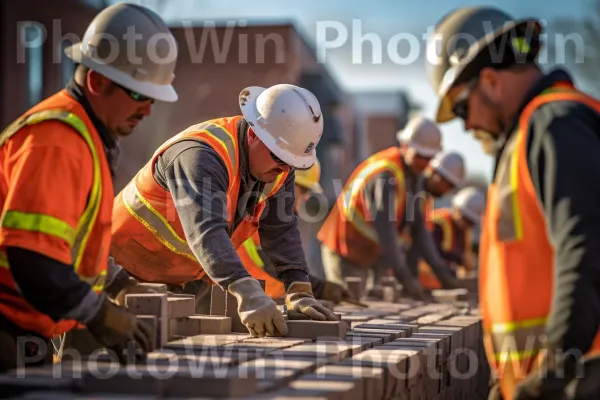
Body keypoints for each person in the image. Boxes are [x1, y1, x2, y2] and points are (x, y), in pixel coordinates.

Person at [428, 6, 600, 399]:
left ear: (489, 81)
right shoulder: (531, 136)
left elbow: (586, 249)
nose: (466, 126)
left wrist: (551, 374)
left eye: (460, 109)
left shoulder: (557, 123)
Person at [0, 3, 178, 371]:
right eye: (139, 95)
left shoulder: (86, 138)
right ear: (98, 82)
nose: (148, 111)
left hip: (26, 330)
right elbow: (33, 259)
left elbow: (73, 242)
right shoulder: (56, 141)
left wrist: (116, 283)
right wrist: (100, 316)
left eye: (153, 99)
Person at [110, 84, 338, 338]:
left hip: (180, 281)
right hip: (119, 274)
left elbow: (282, 228)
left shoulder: (277, 168)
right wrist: (247, 292)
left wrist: (299, 289)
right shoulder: (199, 156)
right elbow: (206, 230)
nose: (285, 170)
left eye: (292, 163)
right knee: (100, 364)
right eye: (280, 159)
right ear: (253, 134)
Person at [317, 116, 460, 300]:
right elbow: (386, 233)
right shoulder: (385, 175)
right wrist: (406, 279)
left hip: (368, 253)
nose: (424, 163)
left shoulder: (413, 177)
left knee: (371, 309)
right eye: (420, 156)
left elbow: (419, 232)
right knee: (348, 306)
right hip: (344, 248)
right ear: (406, 146)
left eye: (429, 158)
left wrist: (444, 276)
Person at [238, 158, 356, 304]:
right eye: (305, 191)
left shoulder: (266, 209)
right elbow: (276, 262)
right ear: (289, 183)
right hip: (238, 301)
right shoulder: (263, 212)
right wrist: (319, 288)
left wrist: (318, 287)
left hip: (262, 300)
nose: (304, 200)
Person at [403, 151, 467, 277]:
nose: (447, 190)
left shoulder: (426, 199)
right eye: (447, 184)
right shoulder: (413, 192)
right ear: (434, 173)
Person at [417, 187, 484, 290]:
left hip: (444, 283)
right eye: (465, 218)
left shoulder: (464, 231)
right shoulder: (438, 223)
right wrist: (458, 260)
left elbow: (466, 260)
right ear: (456, 209)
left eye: (470, 222)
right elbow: (432, 253)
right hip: (426, 280)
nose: (466, 224)